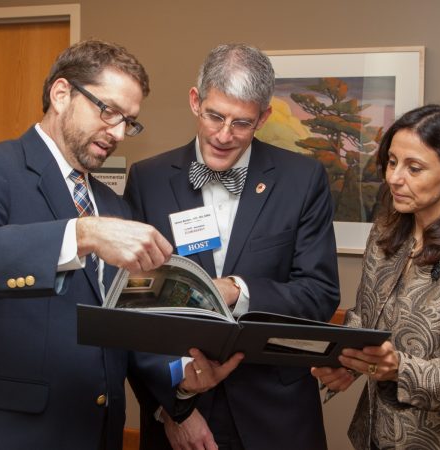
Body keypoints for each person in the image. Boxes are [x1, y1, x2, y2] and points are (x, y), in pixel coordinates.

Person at [0, 39, 242, 450]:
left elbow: (125, 329)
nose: (119, 133)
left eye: (130, 121)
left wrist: (179, 380)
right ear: (60, 94)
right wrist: (81, 233)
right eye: (108, 111)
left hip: (95, 432)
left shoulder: (113, 205)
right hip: (7, 434)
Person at [124, 43, 340, 450]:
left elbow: (320, 293)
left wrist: (238, 291)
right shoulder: (148, 179)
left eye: (241, 123)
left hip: (276, 414)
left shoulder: (302, 178)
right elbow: (133, 308)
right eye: (215, 116)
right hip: (180, 408)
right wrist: (175, 407)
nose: (224, 136)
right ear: (195, 100)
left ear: (264, 117)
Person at [312, 104, 440, 450]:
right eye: (392, 162)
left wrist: (398, 369)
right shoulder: (385, 235)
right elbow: (365, 320)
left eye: (414, 168)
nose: (394, 178)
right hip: (376, 435)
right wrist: (343, 362)